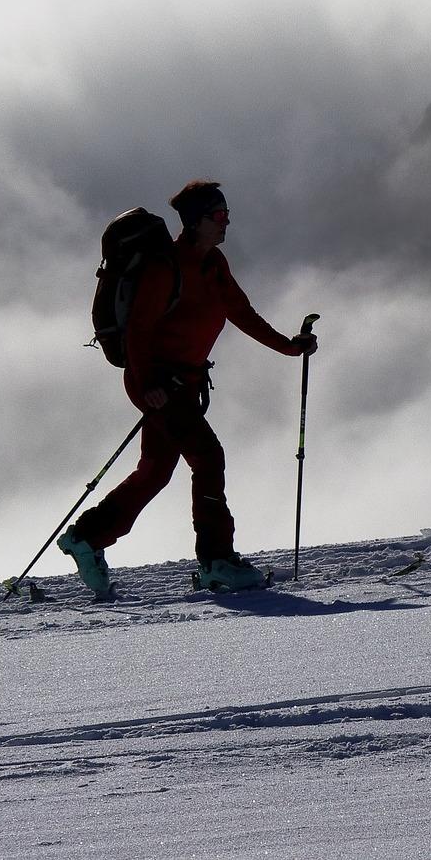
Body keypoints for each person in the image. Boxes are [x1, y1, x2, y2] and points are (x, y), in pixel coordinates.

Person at [58, 180, 318, 595]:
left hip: (184, 382)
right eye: (218, 216)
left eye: (226, 215)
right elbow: (139, 333)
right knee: (208, 458)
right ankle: (217, 560)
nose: (226, 222)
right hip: (159, 382)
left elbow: (241, 312)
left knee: (155, 471)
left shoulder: (214, 264)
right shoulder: (167, 267)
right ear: (195, 222)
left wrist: (290, 347)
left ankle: (87, 538)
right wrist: (148, 386)